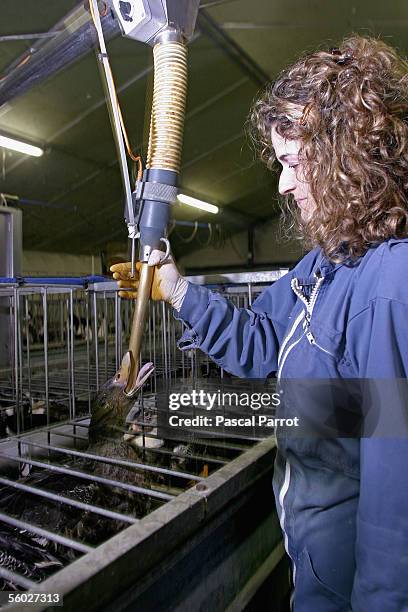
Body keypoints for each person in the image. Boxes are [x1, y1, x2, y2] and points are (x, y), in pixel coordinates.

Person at [111, 36, 408, 612]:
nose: (282, 184)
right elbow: (260, 343)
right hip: (316, 559)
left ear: (350, 156)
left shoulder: (389, 282)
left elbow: (394, 495)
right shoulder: (327, 261)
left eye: (295, 162)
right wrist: (174, 287)